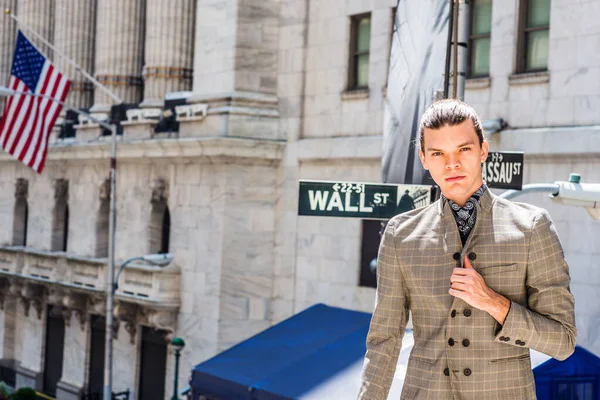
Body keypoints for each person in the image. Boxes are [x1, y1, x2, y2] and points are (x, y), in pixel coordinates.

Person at [357, 99, 576, 400]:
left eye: (464, 149)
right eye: (438, 153)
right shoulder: (400, 235)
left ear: (483, 150)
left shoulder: (531, 227)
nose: (452, 164)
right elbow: (384, 340)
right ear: (423, 158)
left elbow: (563, 340)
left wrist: (493, 302)